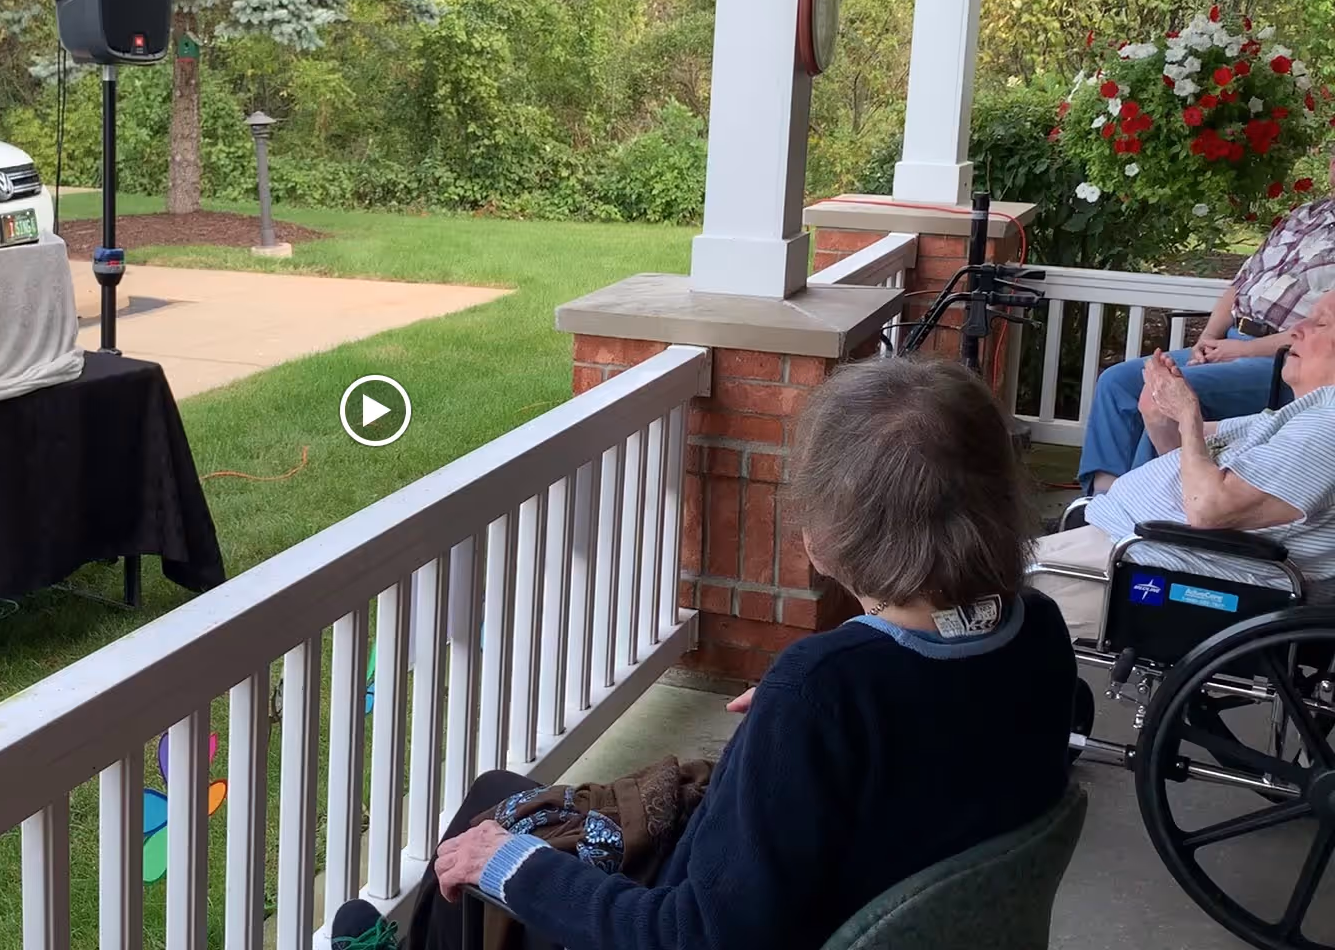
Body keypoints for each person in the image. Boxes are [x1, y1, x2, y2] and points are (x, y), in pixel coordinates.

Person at [332, 357, 1077, 950]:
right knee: (494, 793)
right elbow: (953, 722)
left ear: (827, 535)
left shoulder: (828, 689)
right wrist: (804, 717)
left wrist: (510, 868)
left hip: (729, 919)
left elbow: (694, 935)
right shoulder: (1035, 628)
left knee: (486, 848)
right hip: (871, 895)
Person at [1033, 292, 1335, 639]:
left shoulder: (1326, 427)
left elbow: (1208, 509)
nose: (1297, 329)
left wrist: (1188, 414)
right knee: (976, 583)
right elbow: (1192, 462)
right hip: (1134, 544)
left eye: (1321, 323)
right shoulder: (1299, 416)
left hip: (1162, 569)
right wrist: (1162, 416)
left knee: (980, 602)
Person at [1079, 196, 1335, 494]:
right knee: (1116, 382)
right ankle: (1099, 503)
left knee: (1168, 393)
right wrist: (1208, 339)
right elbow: (1240, 285)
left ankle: (1141, 506)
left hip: (1285, 359)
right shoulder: (1307, 214)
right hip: (1230, 342)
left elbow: (1321, 331)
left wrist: (1244, 350)